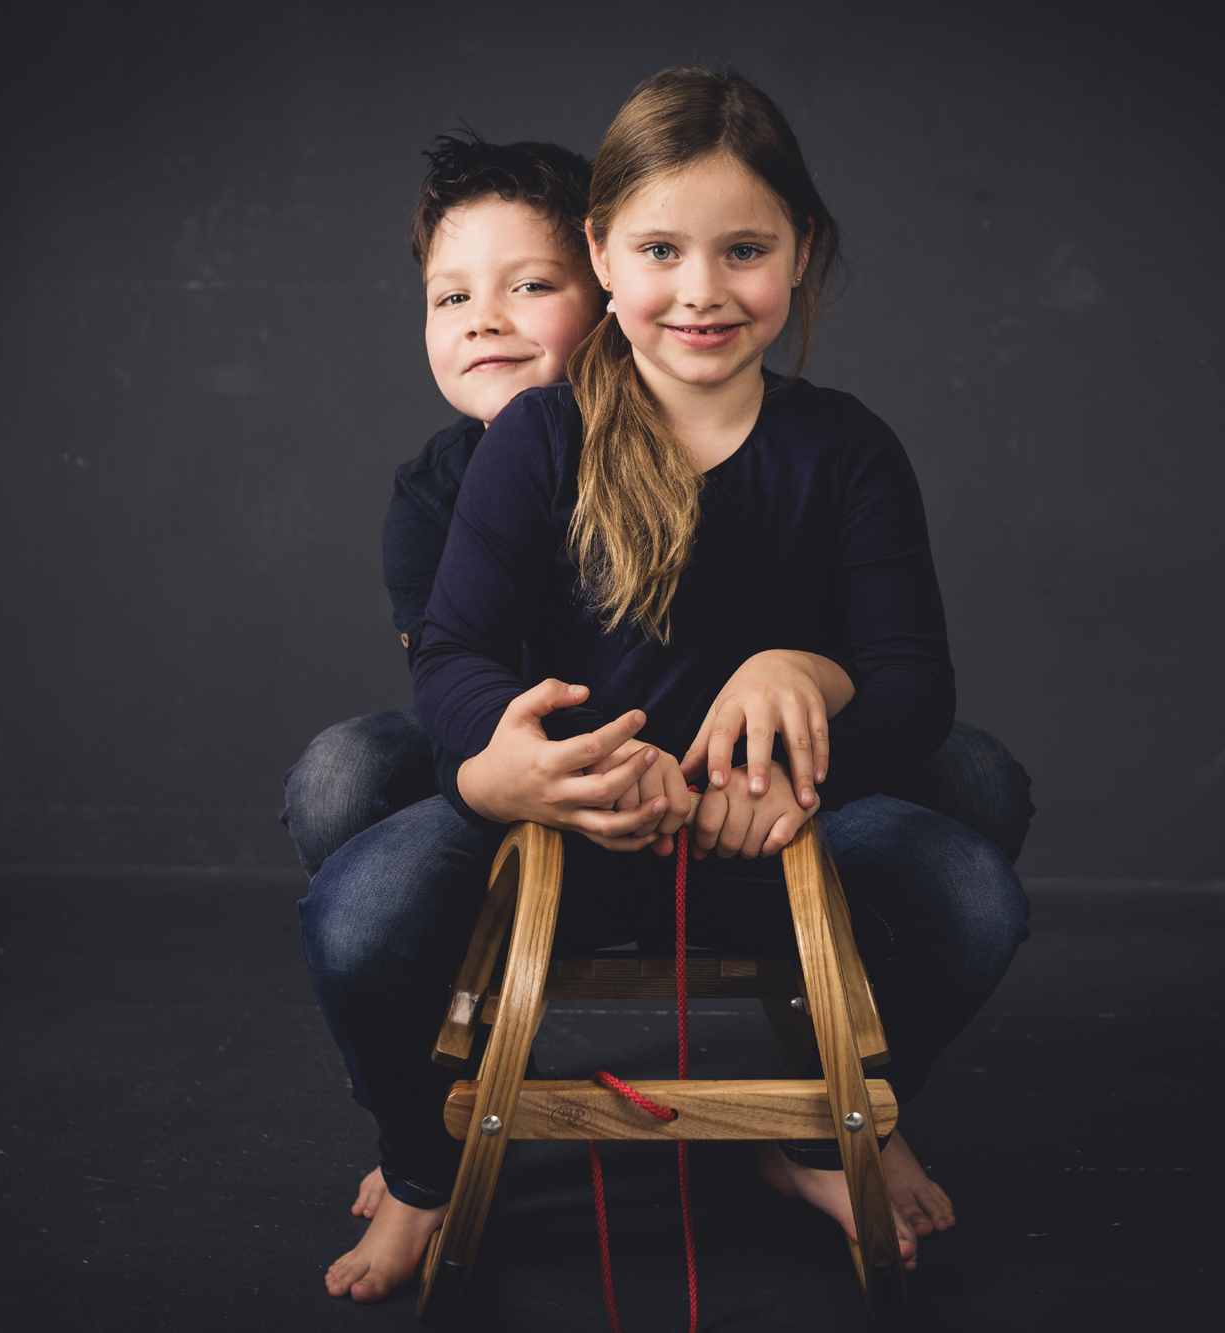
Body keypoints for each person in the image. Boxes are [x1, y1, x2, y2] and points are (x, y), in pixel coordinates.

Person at [298, 68, 1030, 1303]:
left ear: (801, 252)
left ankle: (832, 1126)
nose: (701, 290)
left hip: (767, 828)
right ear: (603, 256)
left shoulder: (844, 446)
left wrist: (804, 729)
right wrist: (509, 767)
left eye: (744, 250)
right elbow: (458, 655)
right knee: (355, 916)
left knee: (973, 896)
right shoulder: (537, 437)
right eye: (657, 252)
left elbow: (912, 680)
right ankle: (421, 1159)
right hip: (568, 820)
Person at [277, 139, 1034, 885]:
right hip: (544, 743)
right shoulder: (442, 487)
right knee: (347, 772)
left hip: (749, 737)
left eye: (531, 286)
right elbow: (453, 680)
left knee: (975, 775)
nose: (484, 321)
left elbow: (885, 662)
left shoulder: (808, 440)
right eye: (452, 298)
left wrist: (811, 680)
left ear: (604, 280)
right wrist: (497, 781)